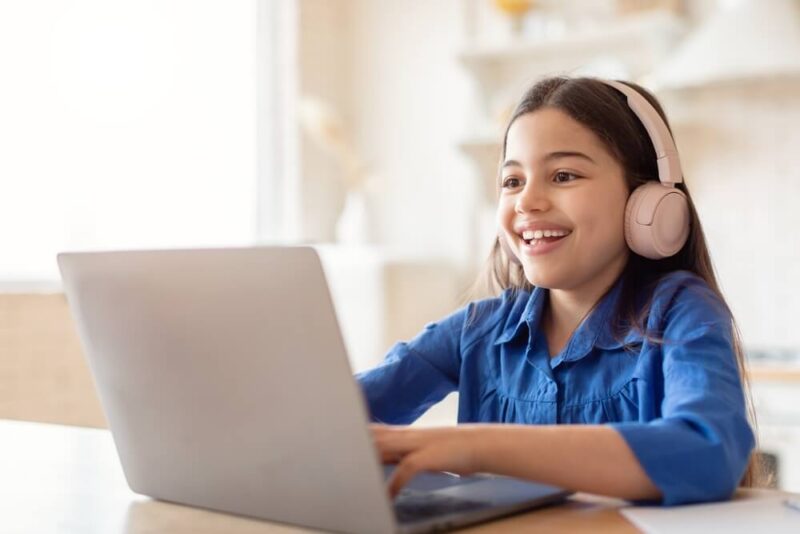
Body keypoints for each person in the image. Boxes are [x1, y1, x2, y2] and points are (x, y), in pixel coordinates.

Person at [356, 76, 760, 506]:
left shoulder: (681, 312)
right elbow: (333, 416)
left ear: (647, 202)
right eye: (512, 182)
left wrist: (475, 446)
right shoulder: (478, 329)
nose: (527, 201)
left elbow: (709, 451)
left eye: (563, 175)